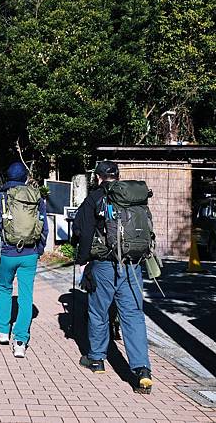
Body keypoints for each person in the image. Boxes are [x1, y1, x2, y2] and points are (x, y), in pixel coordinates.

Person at [72, 160, 153, 394]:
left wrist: (81, 258)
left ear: (98, 177)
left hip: (105, 264)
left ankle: (97, 359)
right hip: (132, 264)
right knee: (133, 315)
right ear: (117, 176)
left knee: (98, 310)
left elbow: (83, 230)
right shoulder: (134, 197)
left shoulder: (95, 198)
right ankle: (142, 370)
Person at [0, 162, 48, 358]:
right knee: (26, 296)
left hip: (7, 252)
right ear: (25, 178)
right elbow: (44, 228)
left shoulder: (2, 197)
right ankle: (21, 340)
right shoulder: (37, 198)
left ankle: (3, 331)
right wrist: (38, 250)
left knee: (4, 289)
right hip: (30, 254)